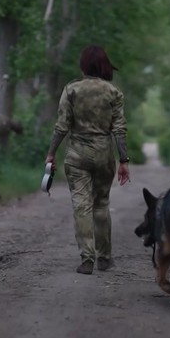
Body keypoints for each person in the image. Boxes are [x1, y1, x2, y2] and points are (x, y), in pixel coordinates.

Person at [45, 45, 131, 275]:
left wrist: (51, 153)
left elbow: (62, 125)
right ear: (104, 65)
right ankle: (104, 258)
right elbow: (119, 128)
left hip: (77, 155)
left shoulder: (71, 90)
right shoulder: (113, 92)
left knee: (82, 205)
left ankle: (86, 259)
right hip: (104, 155)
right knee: (101, 203)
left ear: (83, 65)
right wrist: (123, 160)